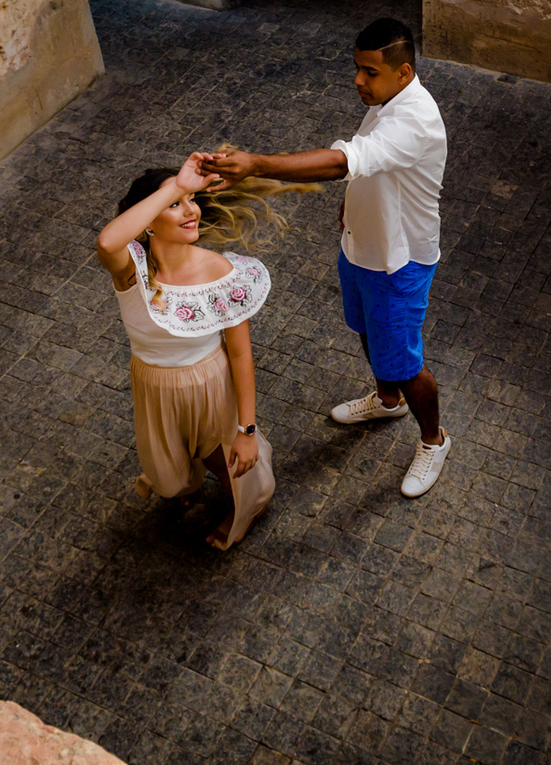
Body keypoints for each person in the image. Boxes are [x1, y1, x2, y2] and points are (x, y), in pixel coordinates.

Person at [200, 18, 451, 498]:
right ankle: (387, 400)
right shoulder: (387, 99)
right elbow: (371, 166)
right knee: (365, 331)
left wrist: (256, 164)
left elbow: (345, 161)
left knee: (403, 359)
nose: (358, 80)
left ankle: (433, 438)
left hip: (398, 264)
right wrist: (354, 202)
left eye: (369, 72)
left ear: (402, 72)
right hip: (360, 247)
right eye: (356, 69)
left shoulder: (415, 118)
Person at [96, 152, 287, 550]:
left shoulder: (221, 272)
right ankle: (185, 477)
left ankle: (247, 506)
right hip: (153, 382)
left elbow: (240, 355)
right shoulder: (132, 268)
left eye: (192, 201)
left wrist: (247, 430)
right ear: (147, 221)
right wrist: (179, 184)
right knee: (168, 475)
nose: (191, 212)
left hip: (210, 381)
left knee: (226, 462)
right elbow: (108, 240)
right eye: (175, 205)